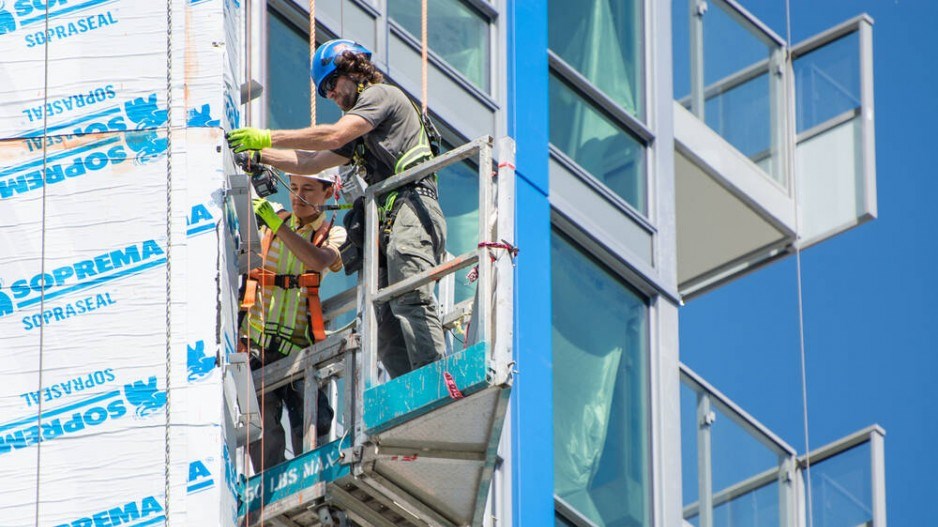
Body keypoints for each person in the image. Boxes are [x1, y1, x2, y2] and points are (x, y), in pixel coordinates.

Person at [227, 39, 447, 379]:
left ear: (353, 69)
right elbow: (311, 161)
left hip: (412, 208)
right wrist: (258, 155)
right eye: (324, 90)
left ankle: (435, 382)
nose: (331, 95)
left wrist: (267, 137)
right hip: (390, 220)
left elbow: (331, 136)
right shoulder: (361, 131)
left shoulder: (380, 96)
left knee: (409, 297)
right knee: (385, 318)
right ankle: (408, 391)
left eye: (331, 83)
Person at [239, 169, 346, 473]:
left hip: (299, 349)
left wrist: (276, 224)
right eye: (294, 187)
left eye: (308, 189)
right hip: (257, 344)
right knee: (263, 436)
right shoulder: (273, 220)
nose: (298, 196)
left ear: (328, 194)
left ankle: (313, 484)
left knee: (312, 428)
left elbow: (318, 260)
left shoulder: (331, 233)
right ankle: (272, 497)